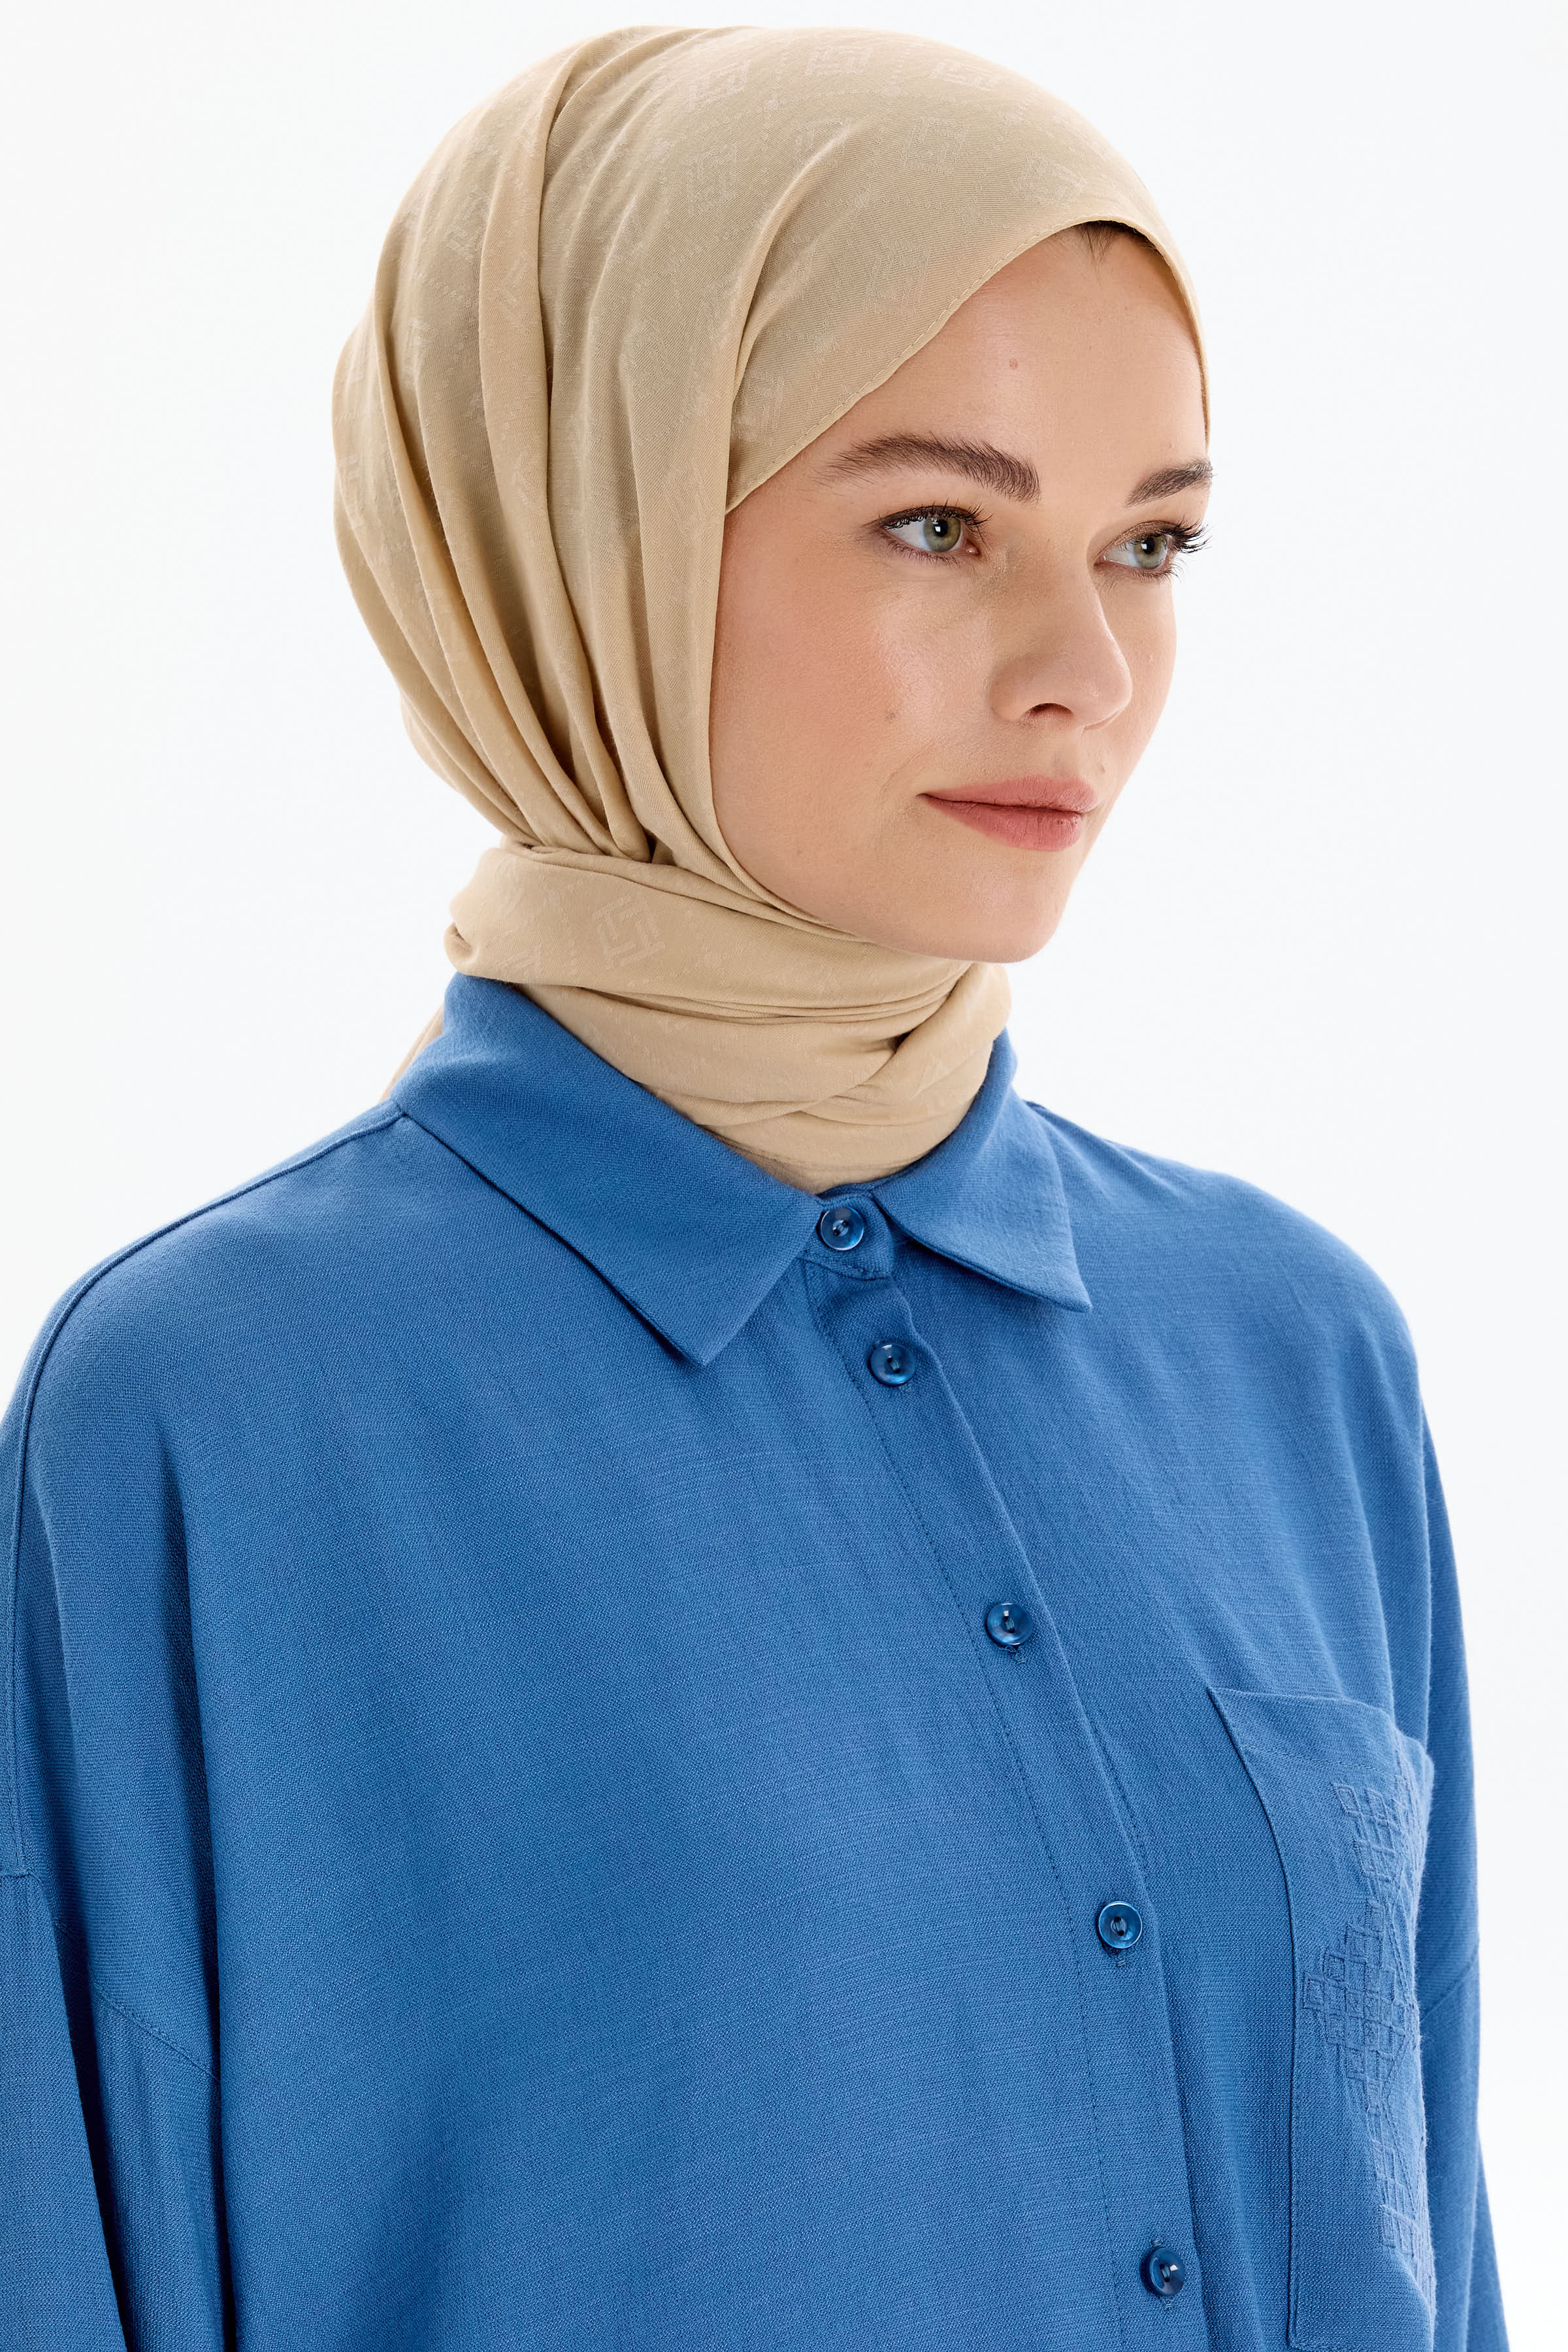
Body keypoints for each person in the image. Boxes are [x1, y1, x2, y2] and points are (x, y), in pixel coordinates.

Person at [0, 25, 1506, 2351]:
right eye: (939, 526)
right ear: (586, 542)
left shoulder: (1292, 1351)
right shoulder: (221, 1413)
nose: (1087, 670)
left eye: (1152, 543)